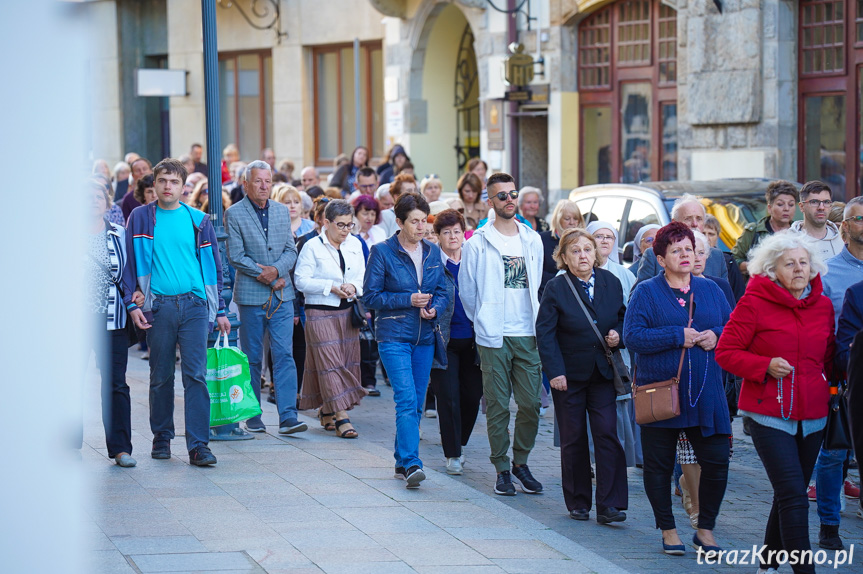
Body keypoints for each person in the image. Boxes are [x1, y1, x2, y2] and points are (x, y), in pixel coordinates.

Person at [716, 232, 833, 574]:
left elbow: (828, 358)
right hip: (768, 413)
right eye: (790, 263)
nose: (799, 268)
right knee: (795, 495)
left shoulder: (823, 306)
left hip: (814, 415)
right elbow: (725, 352)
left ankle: (767, 565)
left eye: (804, 262)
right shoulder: (754, 302)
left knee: (789, 492)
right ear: (772, 269)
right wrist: (763, 366)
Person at [624, 221, 731, 556]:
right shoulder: (646, 291)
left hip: (706, 394)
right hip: (662, 395)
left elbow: (732, 328)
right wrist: (675, 336)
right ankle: (668, 529)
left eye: (690, 249)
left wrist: (716, 334)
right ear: (660, 259)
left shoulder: (712, 289)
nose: (686, 255)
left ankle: (705, 529)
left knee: (716, 462)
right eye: (676, 250)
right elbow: (633, 337)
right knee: (658, 465)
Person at [123, 158, 230, 466]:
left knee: (196, 375)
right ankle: (162, 437)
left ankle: (198, 445)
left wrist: (219, 308)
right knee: (160, 375)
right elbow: (130, 264)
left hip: (196, 305)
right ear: (154, 184)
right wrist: (133, 303)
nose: (168, 187)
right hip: (160, 306)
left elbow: (214, 267)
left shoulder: (198, 219)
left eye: (174, 182)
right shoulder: (141, 218)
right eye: (162, 181)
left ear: (184, 188)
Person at [460, 172, 545, 497]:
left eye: (513, 194)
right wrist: (484, 318)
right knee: (496, 406)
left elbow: (535, 283)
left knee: (530, 404)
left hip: (527, 332)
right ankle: (502, 469)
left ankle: (521, 460)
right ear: (490, 202)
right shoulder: (477, 243)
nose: (509, 200)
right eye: (502, 196)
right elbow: (468, 292)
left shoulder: (531, 239)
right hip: (493, 334)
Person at [536, 228, 628, 523]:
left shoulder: (611, 282)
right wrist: (555, 372)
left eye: (587, 249)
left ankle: (609, 504)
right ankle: (578, 502)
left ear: (597, 253)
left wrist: (618, 335)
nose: (583, 255)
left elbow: (625, 317)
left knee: (607, 434)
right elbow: (545, 332)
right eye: (575, 251)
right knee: (573, 437)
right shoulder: (556, 287)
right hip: (569, 375)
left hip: (602, 372)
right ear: (563, 257)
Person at [363, 192, 449, 488]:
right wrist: (408, 300)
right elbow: (370, 297)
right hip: (393, 336)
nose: (421, 227)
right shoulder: (382, 251)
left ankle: (401, 459)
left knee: (415, 402)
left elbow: (443, 291)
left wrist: (434, 307)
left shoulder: (433, 252)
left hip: (424, 337)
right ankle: (413, 463)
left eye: (424, 221)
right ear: (399, 222)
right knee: (407, 398)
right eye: (415, 221)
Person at [225, 160, 306, 435]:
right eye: (258, 181)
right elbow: (235, 256)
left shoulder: (282, 211)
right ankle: (253, 414)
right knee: (252, 357)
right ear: (246, 183)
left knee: (284, 354)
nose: (263, 186)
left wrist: (277, 270)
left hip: (282, 297)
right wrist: (267, 274)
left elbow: (290, 251)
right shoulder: (234, 214)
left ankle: (288, 417)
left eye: (267, 181)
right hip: (251, 297)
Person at [808, 196, 863, 550]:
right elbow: (823, 328)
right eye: (860, 219)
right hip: (842, 375)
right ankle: (829, 524)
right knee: (834, 452)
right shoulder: (830, 272)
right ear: (845, 228)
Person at [295, 199, 367, 438]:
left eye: (350, 225)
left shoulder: (355, 244)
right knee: (330, 363)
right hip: (319, 312)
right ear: (326, 223)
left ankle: (327, 409)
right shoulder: (312, 246)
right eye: (341, 225)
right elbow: (301, 281)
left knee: (343, 362)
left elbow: (362, 276)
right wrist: (331, 287)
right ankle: (342, 417)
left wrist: (352, 287)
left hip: (348, 313)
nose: (346, 230)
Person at [429, 209, 484, 475]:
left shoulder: (475, 260)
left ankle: (459, 443)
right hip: (444, 340)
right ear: (437, 236)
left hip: (475, 340)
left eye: (457, 231)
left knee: (472, 396)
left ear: (464, 233)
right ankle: (452, 453)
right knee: (448, 397)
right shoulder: (431, 263)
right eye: (446, 232)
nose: (453, 236)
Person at [86, 179, 135, 467]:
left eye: (98, 196)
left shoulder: (119, 233)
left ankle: (121, 448)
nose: (92, 200)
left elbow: (129, 273)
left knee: (116, 384)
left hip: (113, 319)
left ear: (107, 203)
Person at [637, 194, 728, 282]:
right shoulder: (653, 255)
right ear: (674, 222)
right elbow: (639, 294)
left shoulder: (717, 256)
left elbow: (725, 295)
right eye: (688, 219)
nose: (694, 224)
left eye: (699, 219)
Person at [732, 180, 798, 275]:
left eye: (791, 205)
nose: (786, 209)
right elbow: (734, 260)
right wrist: (757, 266)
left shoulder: (800, 232)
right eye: (780, 204)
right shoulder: (754, 231)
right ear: (770, 208)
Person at [539, 200, 585, 297]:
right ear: (558, 219)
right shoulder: (542, 240)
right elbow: (537, 271)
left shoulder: (585, 242)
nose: (572, 222)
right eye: (567, 219)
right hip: (549, 294)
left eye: (575, 219)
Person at [790, 180, 844, 260]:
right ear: (801, 207)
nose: (821, 207)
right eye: (814, 202)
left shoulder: (843, 241)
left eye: (826, 202)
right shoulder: (788, 241)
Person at [702, 215, 745, 300]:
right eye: (703, 233)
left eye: (711, 234)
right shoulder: (688, 259)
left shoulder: (728, 261)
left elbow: (739, 296)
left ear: (717, 237)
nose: (706, 238)